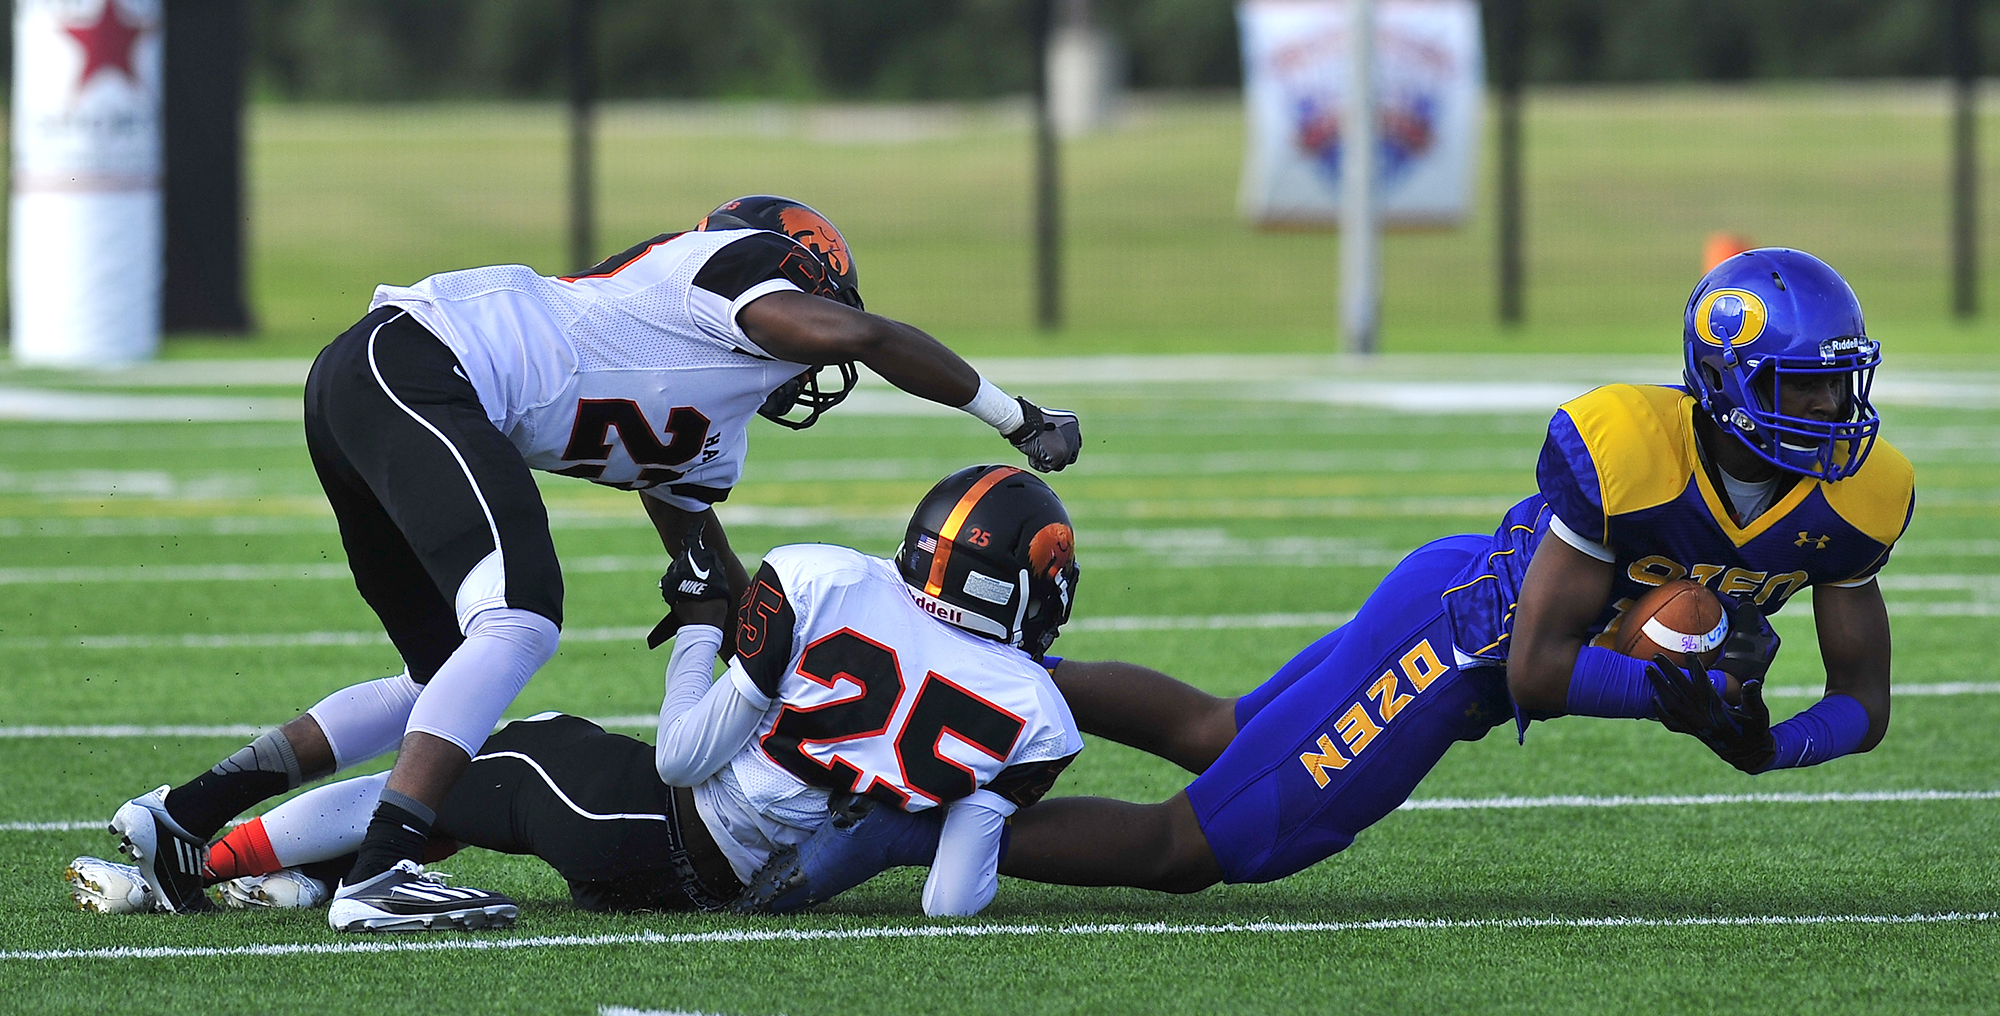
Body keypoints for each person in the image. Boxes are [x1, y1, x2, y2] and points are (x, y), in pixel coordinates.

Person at [750, 247, 1914, 906]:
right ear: (1720, 380)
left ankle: (1004, 661)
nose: (1825, 411)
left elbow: (1862, 701)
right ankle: (912, 829)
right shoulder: (1624, 447)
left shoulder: (1861, 493)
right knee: (1199, 848)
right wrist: (1673, 693)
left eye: (1835, 384)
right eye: (1795, 386)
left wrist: (1769, 742)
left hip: (1468, 591)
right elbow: (1535, 668)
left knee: (1221, 730)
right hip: (1463, 637)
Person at [98, 196, 1083, 932]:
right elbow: (863, 336)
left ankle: (181, 818)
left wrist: (725, 616)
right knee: (520, 619)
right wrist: (1016, 415)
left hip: (373, 384)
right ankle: (379, 873)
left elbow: (702, 549)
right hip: (418, 364)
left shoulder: (714, 424)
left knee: (438, 679)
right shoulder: (727, 267)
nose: (814, 358)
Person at [74, 465, 1083, 926]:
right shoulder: (1035, 713)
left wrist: (698, 621)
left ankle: (200, 859)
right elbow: (954, 900)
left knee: (464, 762)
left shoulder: (826, 579)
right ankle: (298, 884)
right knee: (519, 769)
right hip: (744, 877)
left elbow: (685, 754)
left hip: (657, 825)